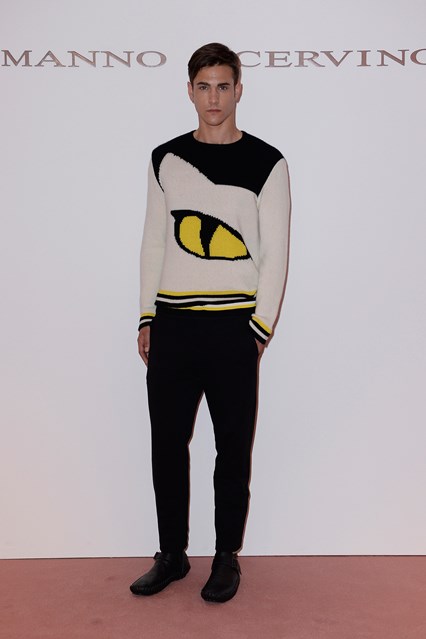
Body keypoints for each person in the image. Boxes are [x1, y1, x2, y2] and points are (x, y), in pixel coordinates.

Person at [130, 42, 291, 603]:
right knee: (167, 445)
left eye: (223, 86)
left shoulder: (268, 162)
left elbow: (275, 253)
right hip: (172, 325)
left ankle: (226, 557)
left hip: (232, 330)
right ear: (190, 91)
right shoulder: (164, 158)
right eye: (204, 86)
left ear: (238, 90)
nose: (214, 98)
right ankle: (172, 554)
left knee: (232, 448)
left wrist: (259, 329)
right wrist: (147, 316)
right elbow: (154, 241)